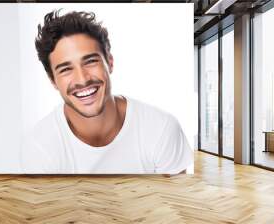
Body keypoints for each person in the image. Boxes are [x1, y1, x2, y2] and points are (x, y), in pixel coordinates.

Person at [20, 9, 193, 174]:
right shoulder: (39, 145)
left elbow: (174, 201)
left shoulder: (160, 128)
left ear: (109, 63)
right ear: (53, 81)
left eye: (90, 61)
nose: (82, 79)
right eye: (65, 69)